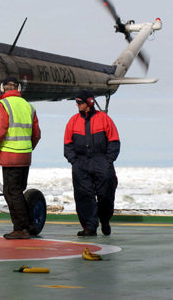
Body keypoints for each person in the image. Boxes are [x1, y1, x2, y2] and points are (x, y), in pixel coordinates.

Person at [0, 76, 41, 240]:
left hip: (10, 156)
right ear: (18, 88)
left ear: (2, 88)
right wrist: (27, 149)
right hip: (25, 156)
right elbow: (36, 135)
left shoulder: (2, 105)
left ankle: (21, 228)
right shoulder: (29, 106)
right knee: (18, 192)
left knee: (11, 192)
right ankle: (27, 225)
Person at [64, 90, 120, 236]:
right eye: (76, 102)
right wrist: (74, 162)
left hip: (101, 161)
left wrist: (108, 161)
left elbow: (114, 141)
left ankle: (105, 220)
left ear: (89, 102)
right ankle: (89, 227)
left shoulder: (104, 119)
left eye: (80, 102)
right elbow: (68, 145)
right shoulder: (73, 121)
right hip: (81, 163)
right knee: (83, 195)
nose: (77, 105)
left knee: (106, 194)